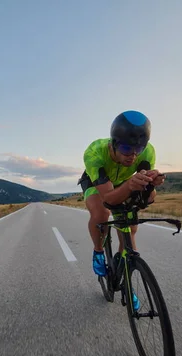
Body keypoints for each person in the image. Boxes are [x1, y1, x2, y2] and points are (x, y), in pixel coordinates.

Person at [77, 110, 166, 278]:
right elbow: (109, 198)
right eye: (126, 148)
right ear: (114, 143)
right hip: (97, 183)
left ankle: (125, 273)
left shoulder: (147, 152)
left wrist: (151, 185)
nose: (132, 156)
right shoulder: (94, 152)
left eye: (138, 149)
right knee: (101, 213)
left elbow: (146, 198)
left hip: (124, 182)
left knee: (130, 227)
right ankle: (98, 251)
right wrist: (129, 186)